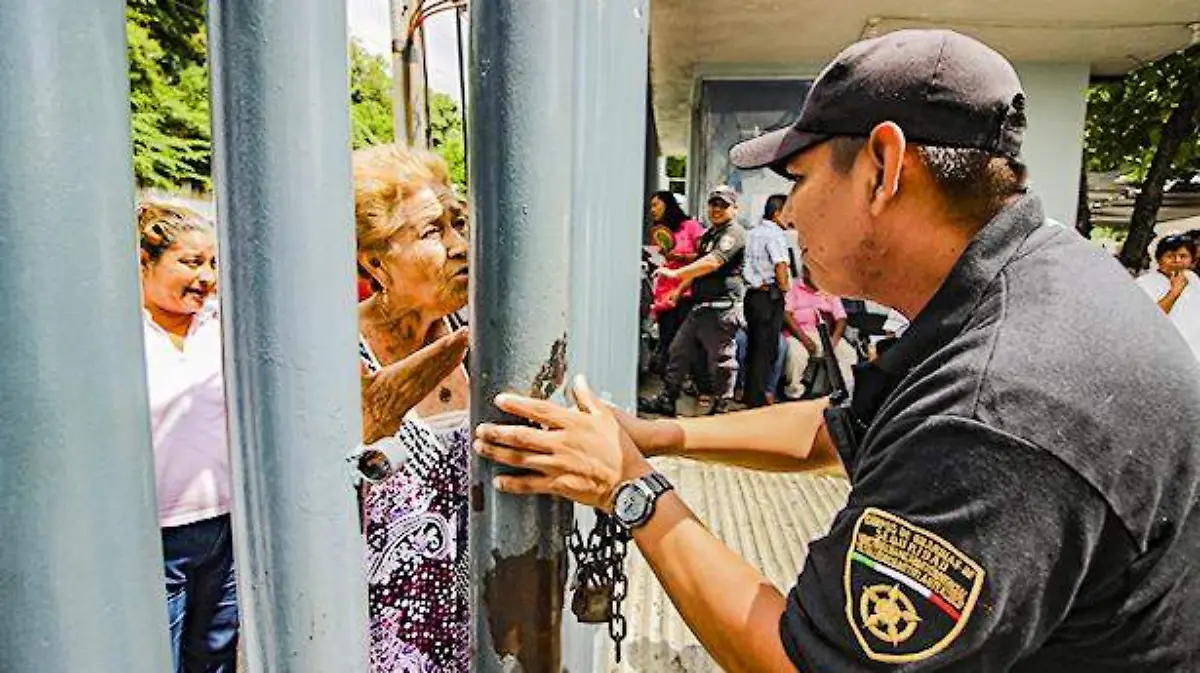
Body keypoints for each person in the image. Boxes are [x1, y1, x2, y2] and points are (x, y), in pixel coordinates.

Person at [474, 29, 1200, 672]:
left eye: (798, 179)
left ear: (883, 166)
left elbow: (799, 661)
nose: (788, 214)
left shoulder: (998, 410)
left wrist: (628, 488)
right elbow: (837, 426)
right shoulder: (1028, 281)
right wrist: (658, 436)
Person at [352, 144, 472, 672]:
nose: (460, 246)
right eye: (432, 232)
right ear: (376, 262)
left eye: (458, 223)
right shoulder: (339, 350)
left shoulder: (476, 338)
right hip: (380, 634)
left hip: (472, 618)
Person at [138, 202, 238, 672]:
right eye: (192, 262)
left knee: (216, 657)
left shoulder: (223, 325)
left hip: (226, 527)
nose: (207, 277)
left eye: (213, 263)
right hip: (154, 534)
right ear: (145, 261)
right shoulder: (120, 333)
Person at [640, 185, 747, 416]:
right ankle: (668, 399)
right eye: (713, 204)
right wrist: (679, 290)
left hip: (721, 309)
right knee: (678, 351)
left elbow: (712, 263)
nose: (717, 209)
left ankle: (721, 407)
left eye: (723, 205)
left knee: (721, 361)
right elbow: (698, 267)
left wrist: (675, 273)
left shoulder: (733, 234)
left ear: (735, 209)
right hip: (700, 307)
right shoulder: (710, 234)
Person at [740, 194, 792, 407]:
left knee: (754, 346)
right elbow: (780, 264)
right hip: (769, 296)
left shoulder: (752, 233)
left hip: (753, 295)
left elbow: (744, 265)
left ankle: (749, 393)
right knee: (767, 348)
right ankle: (758, 398)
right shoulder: (775, 235)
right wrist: (785, 287)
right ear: (777, 213)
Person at [647, 190, 706, 374]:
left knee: (686, 340)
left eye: (655, 205)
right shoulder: (661, 231)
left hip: (687, 291)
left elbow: (704, 257)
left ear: (668, 205)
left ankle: (693, 380)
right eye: (651, 206)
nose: (652, 210)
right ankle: (670, 382)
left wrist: (680, 257)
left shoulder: (691, 226)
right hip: (665, 293)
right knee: (667, 338)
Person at [781, 266, 856, 400]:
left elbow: (841, 318)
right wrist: (804, 339)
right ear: (805, 272)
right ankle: (794, 393)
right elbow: (787, 314)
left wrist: (833, 341)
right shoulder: (794, 287)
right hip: (798, 333)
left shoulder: (828, 289)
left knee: (848, 353)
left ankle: (846, 393)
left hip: (823, 334)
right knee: (796, 355)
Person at [1136, 233, 1200, 358]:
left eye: (1183, 256)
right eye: (1170, 256)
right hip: (1165, 352)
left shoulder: (1192, 277)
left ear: (1192, 260)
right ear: (1158, 259)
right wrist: (1175, 292)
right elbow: (1149, 318)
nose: (1177, 260)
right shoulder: (1145, 283)